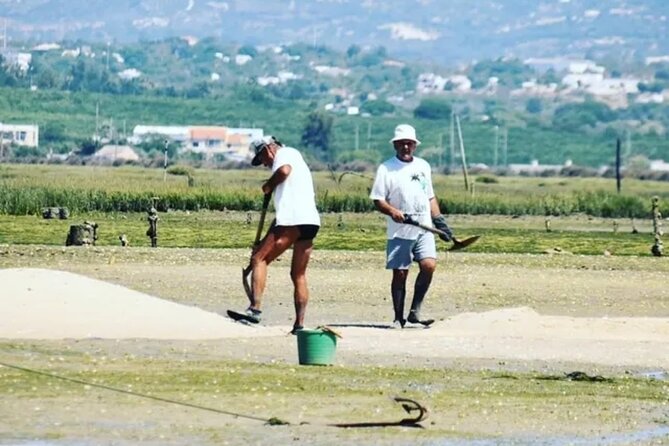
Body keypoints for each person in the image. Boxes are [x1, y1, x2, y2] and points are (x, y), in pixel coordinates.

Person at [370, 124, 456, 328]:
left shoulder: (423, 166)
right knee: (400, 273)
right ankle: (398, 318)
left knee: (429, 266)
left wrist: (440, 221)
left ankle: (414, 313)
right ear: (395, 145)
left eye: (409, 143)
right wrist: (392, 211)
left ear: (415, 146)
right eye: (402, 144)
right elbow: (377, 200)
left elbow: (430, 197)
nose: (406, 147)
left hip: (424, 227)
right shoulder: (386, 168)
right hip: (400, 231)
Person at [243, 135, 321, 334]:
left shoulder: (285, 154)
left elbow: (284, 172)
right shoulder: (295, 156)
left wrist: (269, 185)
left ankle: (255, 310)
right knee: (298, 274)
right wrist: (263, 240)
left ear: (268, 149)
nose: (264, 164)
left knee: (259, 259)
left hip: (292, 220)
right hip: (309, 222)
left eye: (263, 159)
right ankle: (299, 324)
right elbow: (280, 217)